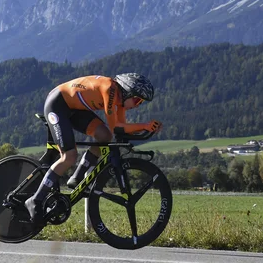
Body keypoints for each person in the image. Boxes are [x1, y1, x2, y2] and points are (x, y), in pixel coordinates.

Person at [24, 73, 162, 223]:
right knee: (69, 156)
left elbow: (121, 129)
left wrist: (148, 129)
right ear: (127, 91)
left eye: (141, 102)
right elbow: (116, 126)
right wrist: (144, 126)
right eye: (137, 99)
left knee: (104, 136)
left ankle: (77, 178)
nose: (137, 105)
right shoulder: (109, 89)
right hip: (57, 104)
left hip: (75, 109)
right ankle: (35, 200)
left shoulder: (120, 101)